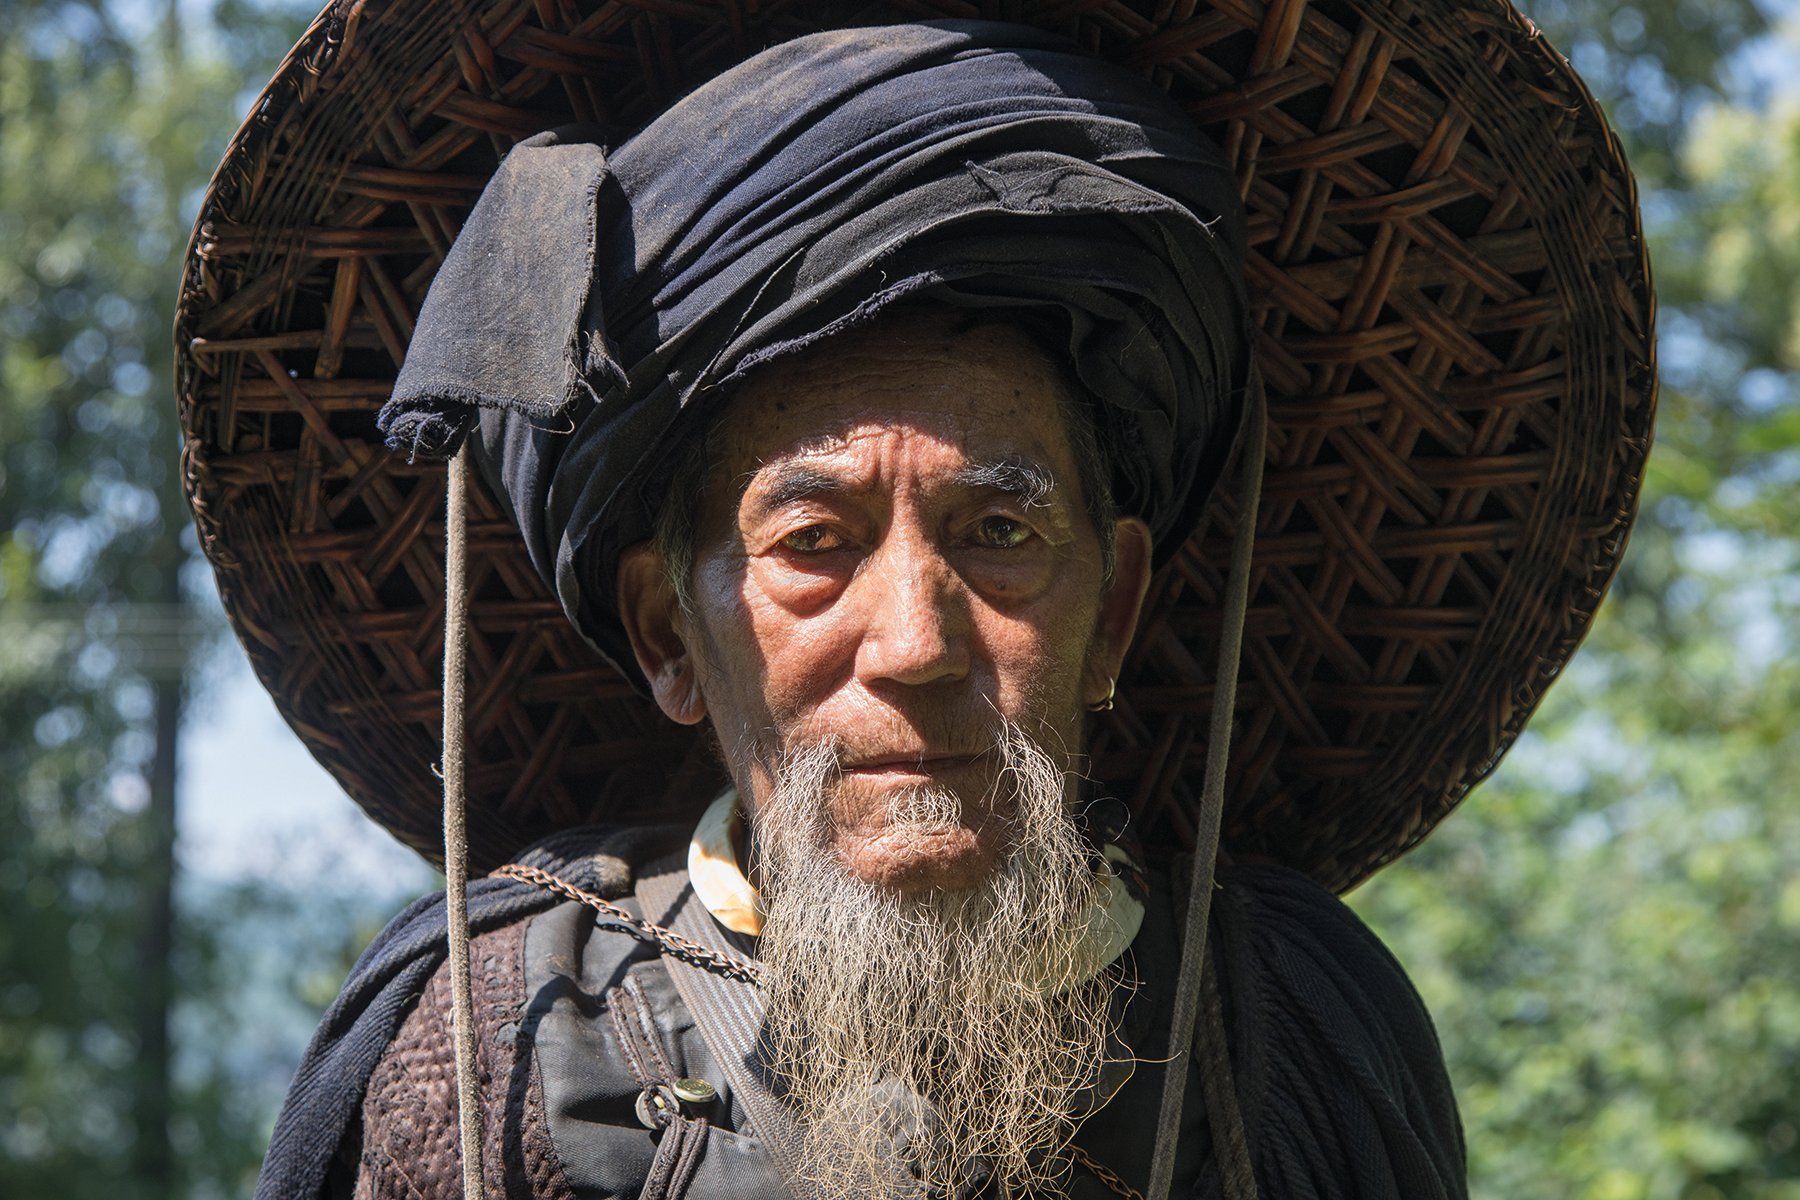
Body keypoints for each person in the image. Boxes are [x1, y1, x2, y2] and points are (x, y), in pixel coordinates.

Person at [172, 5, 1656, 1200]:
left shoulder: (1293, 1036)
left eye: (1000, 530)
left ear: (1118, 610)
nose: (918, 642)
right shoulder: (498, 1044)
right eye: (812, 541)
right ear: (663, 635)